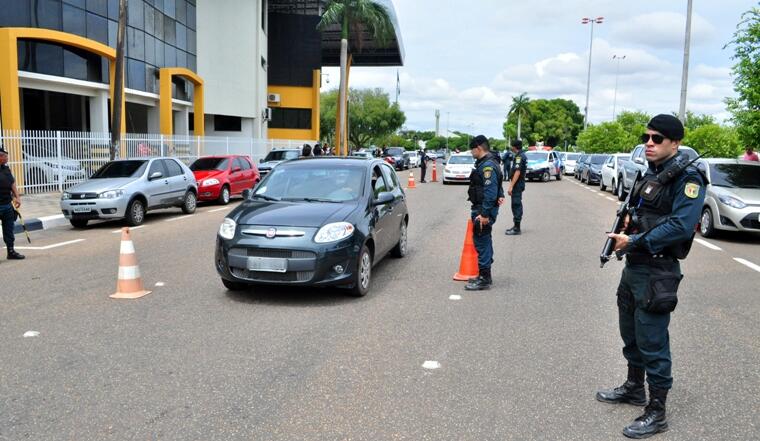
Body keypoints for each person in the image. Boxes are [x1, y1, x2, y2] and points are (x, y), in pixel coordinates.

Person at [597, 114, 705, 439]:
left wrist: (636, 240)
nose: (649, 143)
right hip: (634, 266)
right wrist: (629, 229)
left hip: (658, 269)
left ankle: (657, 412)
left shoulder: (689, 179)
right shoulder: (650, 175)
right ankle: (634, 387)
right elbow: (640, 214)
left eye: (657, 139)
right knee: (629, 331)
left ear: (675, 143)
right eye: (647, 137)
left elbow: (681, 226)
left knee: (653, 340)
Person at [465, 135, 503, 291]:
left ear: (478, 148)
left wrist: (485, 214)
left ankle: (484, 278)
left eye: (472, 149)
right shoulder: (489, 162)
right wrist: (500, 195)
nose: (471, 152)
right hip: (483, 207)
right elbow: (497, 187)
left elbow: (490, 190)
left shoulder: (487, 166)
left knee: (481, 240)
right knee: (484, 239)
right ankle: (484, 274)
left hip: (483, 209)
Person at [0, 147, 25, 260]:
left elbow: (12, 184)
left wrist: (17, 197)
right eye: (5, 156)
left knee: (9, 229)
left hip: (7, 204)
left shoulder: (6, 169)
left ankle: (11, 251)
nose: (7, 158)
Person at [505, 139, 527, 235]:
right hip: (518, 184)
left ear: (514, 147)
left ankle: (517, 228)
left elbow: (517, 172)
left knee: (516, 204)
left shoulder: (519, 157)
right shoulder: (519, 155)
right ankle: (515, 226)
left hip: (517, 184)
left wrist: (511, 186)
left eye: (512, 146)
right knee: (515, 204)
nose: (511, 147)